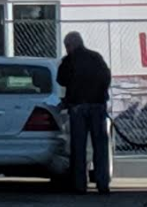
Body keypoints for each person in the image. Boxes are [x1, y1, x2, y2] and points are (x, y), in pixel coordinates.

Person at [57, 31, 111, 195]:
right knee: (100, 147)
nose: (66, 49)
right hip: (97, 106)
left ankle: (80, 185)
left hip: (78, 107)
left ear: (70, 45)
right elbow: (106, 77)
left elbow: (61, 80)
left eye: (67, 46)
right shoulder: (96, 57)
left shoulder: (68, 61)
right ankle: (103, 184)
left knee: (78, 148)